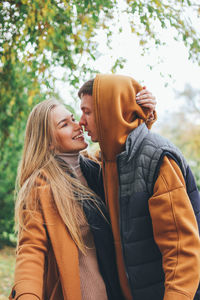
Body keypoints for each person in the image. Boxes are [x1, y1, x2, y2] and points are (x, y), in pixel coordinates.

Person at [9, 94, 155, 300]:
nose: (77, 125)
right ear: (48, 142)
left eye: (73, 118)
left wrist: (141, 115)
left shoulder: (98, 169)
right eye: (64, 124)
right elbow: (30, 251)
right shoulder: (41, 186)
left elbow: (130, 156)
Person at [78, 74, 200, 300]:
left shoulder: (157, 159)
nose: (81, 121)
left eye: (88, 112)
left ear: (109, 110)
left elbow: (182, 253)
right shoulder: (109, 161)